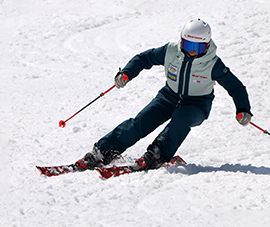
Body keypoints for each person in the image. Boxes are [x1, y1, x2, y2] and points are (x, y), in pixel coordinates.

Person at [75, 19, 252, 171]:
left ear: (206, 45)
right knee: (141, 122)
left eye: (197, 47)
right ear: (181, 41)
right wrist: (127, 73)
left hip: (197, 105)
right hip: (168, 97)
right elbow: (145, 58)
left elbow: (236, 87)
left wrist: (243, 109)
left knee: (181, 117)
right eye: (188, 45)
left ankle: (157, 154)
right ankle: (103, 151)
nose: (192, 52)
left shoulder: (213, 64)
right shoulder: (171, 51)